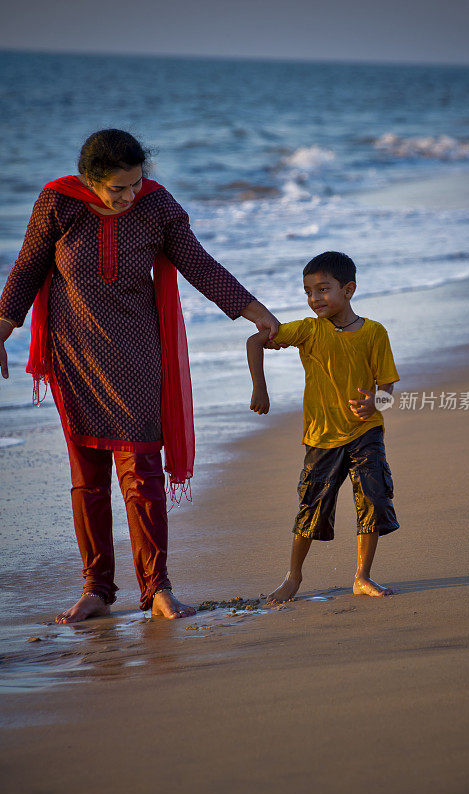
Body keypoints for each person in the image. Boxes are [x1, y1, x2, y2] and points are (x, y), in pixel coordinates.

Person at [0, 129, 279, 623]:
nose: (129, 196)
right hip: (75, 354)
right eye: (117, 189)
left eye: (135, 184)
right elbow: (27, 267)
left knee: (141, 473)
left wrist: (254, 311)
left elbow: (199, 264)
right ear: (90, 181)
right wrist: (2, 326)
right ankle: (97, 591)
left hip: (138, 355)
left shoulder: (157, 207)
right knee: (87, 480)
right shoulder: (58, 203)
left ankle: (157, 588)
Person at [246, 250, 399, 603]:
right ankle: (293, 576)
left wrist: (376, 402)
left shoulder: (374, 333)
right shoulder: (308, 330)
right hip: (321, 437)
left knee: (374, 499)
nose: (315, 299)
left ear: (349, 289)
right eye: (308, 292)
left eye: (323, 289)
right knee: (311, 507)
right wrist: (260, 388)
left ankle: (362, 576)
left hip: (365, 432)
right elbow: (256, 340)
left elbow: (388, 389)